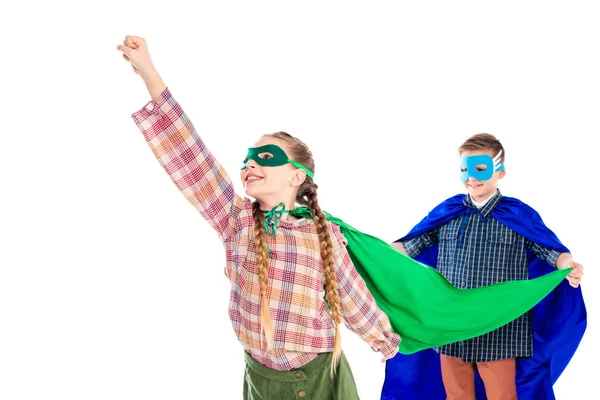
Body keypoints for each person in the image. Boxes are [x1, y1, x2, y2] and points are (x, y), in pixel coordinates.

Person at [117, 35, 401, 400]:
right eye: (248, 157)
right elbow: (192, 159)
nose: (250, 163)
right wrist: (150, 76)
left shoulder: (322, 234)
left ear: (296, 176)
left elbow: (351, 294)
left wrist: (384, 341)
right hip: (260, 379)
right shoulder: (235, 220)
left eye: (265, 157)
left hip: (316, 380)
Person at [383, 133, 586, 400]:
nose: (471, 177)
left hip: (499, 325)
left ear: (500, 172)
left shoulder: (517, 214)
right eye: (465, 169)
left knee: (501, 395)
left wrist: (566, 262)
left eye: (480, 169)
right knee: (456, 394)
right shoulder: (449, 212)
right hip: (451, 324)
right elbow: (411, 246)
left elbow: (547, 249)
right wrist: (372, 250)